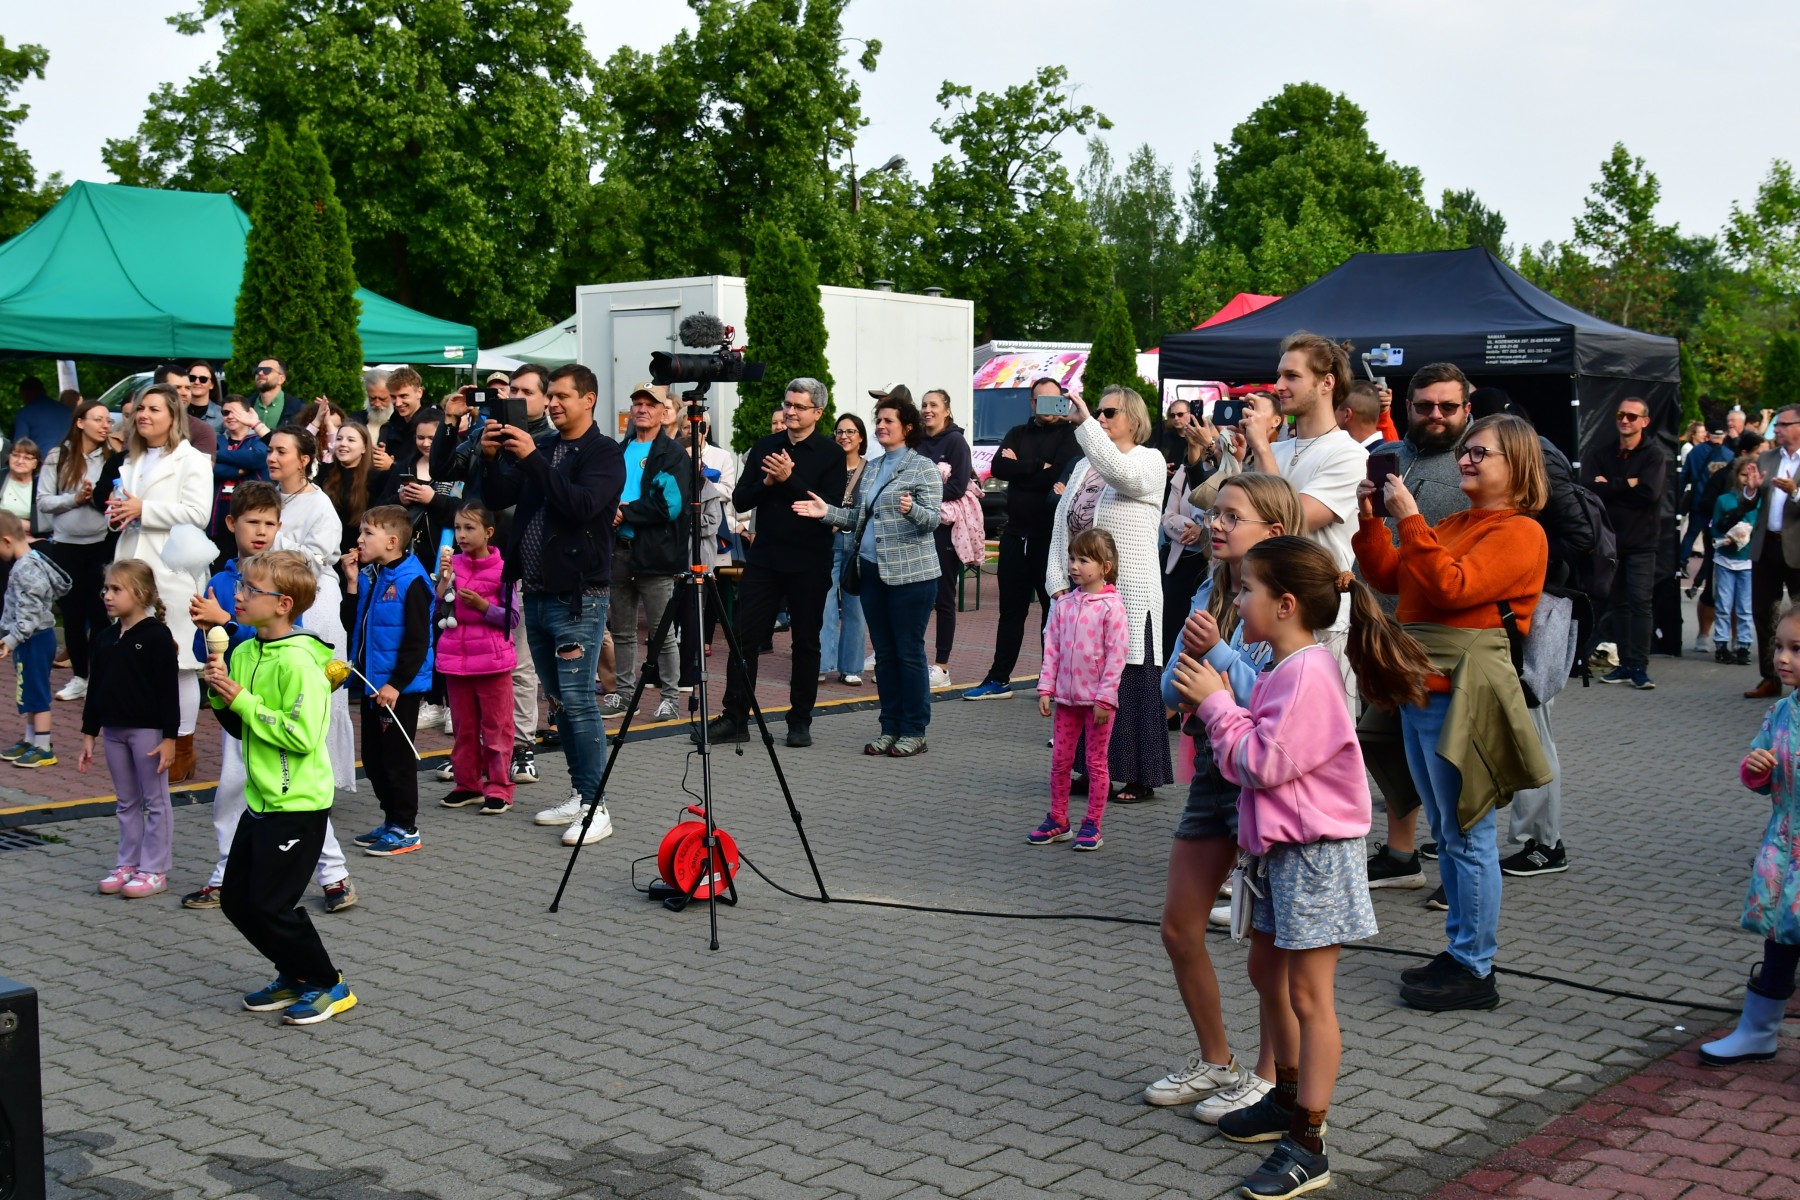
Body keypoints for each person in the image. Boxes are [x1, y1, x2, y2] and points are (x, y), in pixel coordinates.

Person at [1173, 536, 1427, 1197]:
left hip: (1315, 857)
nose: (1238, 601)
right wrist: (1222, 678)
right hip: (1281, 854)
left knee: (1310, 997)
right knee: (1268, 974)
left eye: (1248, 590)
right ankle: (1284, 1097)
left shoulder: (1309, 674)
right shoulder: (1286, 665)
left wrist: (1215, 703)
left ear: (1285, 605)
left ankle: (1309, 1142)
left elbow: (1264, 762)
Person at [1353, 413, 1553, 1012]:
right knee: (1448, 831)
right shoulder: (1458, 523)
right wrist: (1372, 520)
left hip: (1461, 692)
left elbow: (1452, 588)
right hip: (1424, 689)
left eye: (1480, 453)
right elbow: (1390, 576)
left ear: (1517, 465)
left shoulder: (1521, 532)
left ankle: (1474, 966)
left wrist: (1411, 519)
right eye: (1467, 451)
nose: (1466, 459)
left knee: (1467, 833)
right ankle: (1462, 949)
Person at [1145, 472, 1303, 1125]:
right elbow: (1170, 689)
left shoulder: (1290, 601)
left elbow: (1274, 696)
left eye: (1232, 516)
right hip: (1214, 770)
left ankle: (1270, 1078)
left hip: (1264, 782)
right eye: (1215, 514)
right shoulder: (1211, 591)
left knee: (1269, 950)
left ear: (1273, 530)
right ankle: (1218, 1060)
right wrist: (1200, 666)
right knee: (1180, 927)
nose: (1215, 524)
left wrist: (1218, 660)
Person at [183, 481, 355, 914]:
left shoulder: (282, 575)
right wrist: (210, 635)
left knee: (295, 797)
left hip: (270, 710)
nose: (260, 531)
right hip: (238, 706)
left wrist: (227, 621)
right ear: (230, 524)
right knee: (232, 791)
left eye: (269, 523)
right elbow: (209, 648)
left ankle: (333, 873)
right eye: (251, 522)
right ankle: (226, 872)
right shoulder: (221, 581)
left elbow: (283, 637)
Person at [203, 548, 358, 1026]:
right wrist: (221, 694)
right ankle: (294, 974)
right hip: (262, 800)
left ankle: (328, 983)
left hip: (298, 804)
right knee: (235, 900)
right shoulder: (245, 651)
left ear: (283, 604)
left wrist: (244, 701)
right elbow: (239, 727)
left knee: (270, 905)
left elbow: (303, 736)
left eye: (250, 589)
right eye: (240, 586)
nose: (238, 595)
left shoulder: (299, 662)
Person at [481, 363, 625, 846]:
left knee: (579, 702)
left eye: (563, 395)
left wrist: (532, 460)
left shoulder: (604, 453)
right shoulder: (542, 447)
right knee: (560, 702)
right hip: (537, 592)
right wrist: (490, 458)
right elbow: (498, 496)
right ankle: (580, 793)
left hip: (578, 598)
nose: (554, 403)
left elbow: (579, 505)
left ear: (589, 399)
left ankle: (595, 805)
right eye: (552, 396)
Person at [1359, 363, 1474, 889]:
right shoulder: (1388, 455)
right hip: (1383, 625)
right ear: (1406, 407)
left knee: (1450, 760)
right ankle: (1402, 853)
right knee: (1383, 742)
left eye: (1447, 406)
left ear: (1467, 410)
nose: (1436, 415)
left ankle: (1462, 874)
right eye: (1425, 405)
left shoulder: (1475, 464)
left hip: (1448, 636)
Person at [792, 391, 941, 756]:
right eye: (879, 420)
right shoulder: (872, 467)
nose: (881, 426)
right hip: (872, 572)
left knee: (908, 653)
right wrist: (826, 512)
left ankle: (914, 730)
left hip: (912, 576)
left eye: (889, 421)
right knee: (885, 655)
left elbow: (933, 520)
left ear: (907, 427)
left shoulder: (922, 467)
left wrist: (913, 510)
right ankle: (889, 727)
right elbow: (859, 519)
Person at [702, 378, 847, 749]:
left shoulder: (831, 454)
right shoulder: (766, 446)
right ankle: (736, 717)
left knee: (805, 643)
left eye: (799, 406)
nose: (790, 412)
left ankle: (799, 720)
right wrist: (767, 482)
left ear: (818, 412)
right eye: (788, 404)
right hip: (765, 559)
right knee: (743, 638)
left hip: (809, 560)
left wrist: (789, 478)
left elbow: (827, 507)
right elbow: (740, 500)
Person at [1045, 385, 1171, 803]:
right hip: (1084, 596)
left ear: (1133, 419)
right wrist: (1057, 581)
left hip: (1130, 594)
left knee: (1129, 678)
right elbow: (1064, 524)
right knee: (1088, 676)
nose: (1100, 418)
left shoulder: (1149, 460)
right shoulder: (1084, 465)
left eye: (1109, 412)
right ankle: (1089, 769)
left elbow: (1122, 474)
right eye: (1097, 411)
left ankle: (1139, 776)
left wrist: (1084, 426)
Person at [433, 364, 553, 785]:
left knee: (516, 663)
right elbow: (443, 470)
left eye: (523, 392)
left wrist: (516, 449)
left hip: (515, 558)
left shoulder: (547, 440)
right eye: (508, 391)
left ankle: (521, 748)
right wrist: (452, 423)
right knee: (469, 659)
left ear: (545, 399)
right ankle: (473, 753)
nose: (512, 399)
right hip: (472, 557)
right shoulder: (486, 432)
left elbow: (534, 492)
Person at [98, 383, 214, 783]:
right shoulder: (130, 458)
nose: (144, 415)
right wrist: (118, 514)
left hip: (171, 570)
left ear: (173, 416)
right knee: (137, 658)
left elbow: (198, 513)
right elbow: (122, 506)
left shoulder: (192, 459)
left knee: (179, 662)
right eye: (141, 409)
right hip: (132, 564)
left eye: (154, 409)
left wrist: (143, 508)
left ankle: (183, 747)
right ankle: (147, 741)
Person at [1248, 333, 1368, 695]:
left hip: (1321, 622)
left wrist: (1261, 448)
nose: (1278, 386)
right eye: (1279, 375)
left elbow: (1289, 523)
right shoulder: (1277, 451)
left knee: (1320, 727)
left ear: (1326, 382)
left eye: (1292, 376)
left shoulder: (1350, 455)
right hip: (1269, 615)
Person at [1706, 605, 1800, 1066]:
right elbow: (1759, 773)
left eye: (1796, 649)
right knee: (1779, 942)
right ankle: (1757, 1031)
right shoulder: (1781, 711)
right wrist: (1757, 768)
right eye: (1778, 646)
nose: (1782, 658)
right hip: (1784, 850)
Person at [964, 377, 1083, 701]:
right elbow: (999, 467)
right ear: (1032, 403)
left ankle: (1052, 682)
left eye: (1055, 400)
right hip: (1015, 536)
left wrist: (1022, 468)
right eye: (1041, 400)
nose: (1048, 407)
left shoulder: (1071, 436)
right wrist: (1037, 467)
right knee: (1010, 612)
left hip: (1050, 539)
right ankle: (998, 679)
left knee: (1052, 611)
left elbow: (1059, 474)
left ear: (1064, 402)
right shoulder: (1017, 432)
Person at [81, 560, 180, 899]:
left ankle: (154, 869)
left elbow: (168, 692)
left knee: (155, 800)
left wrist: (170, 738)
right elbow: (96, 688)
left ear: (139, 594)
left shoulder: (156, 637)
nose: (107, 596)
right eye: (105, 589)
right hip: (113, 732)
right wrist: (89, 733)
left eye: (116, 589)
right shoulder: (105, 637)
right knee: (126, 801)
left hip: (147, 733)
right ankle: (127, 863)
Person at [267, 426, 357, 792]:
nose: (272, 457)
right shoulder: (270, 496)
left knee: (318, 692)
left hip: (316, 602)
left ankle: (322, 779)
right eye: (270, 450)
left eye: (281, 451)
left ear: (304, 460)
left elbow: (316, 561)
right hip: (273, 600)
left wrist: (271, 535)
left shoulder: (320, 505)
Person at [1028, 527, 1127, 850]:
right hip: (1067, 700)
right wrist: (1046, 688)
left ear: (1104, 567)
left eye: (1084, 560)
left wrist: (1105, 698)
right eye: (1072, 558)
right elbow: (1053, 649)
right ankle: (1058, 819)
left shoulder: (1111, 607)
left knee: (1096, 763)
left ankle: (1092, 824)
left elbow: (1116, 656)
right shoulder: (1063, 605)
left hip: (1097, 702)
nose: (1074, 566)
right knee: (1060, 761)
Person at [347, 505, 434, 857]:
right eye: (361, 531)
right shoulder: (374, 575)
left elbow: (418, 640)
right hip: (373, 685)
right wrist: (352, 583)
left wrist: (396, 683)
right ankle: (391, 819)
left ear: (393, 541)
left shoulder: (411, 581)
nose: (360, 539)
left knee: (397, 760)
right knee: (373, 758)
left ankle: (406, 828)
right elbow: (356, 623)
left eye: (368, 533)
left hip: (398, 690)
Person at [604, 383, 690, 725]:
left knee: (662, 633)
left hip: (655, 554)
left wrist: (625, 512)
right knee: (622, 631)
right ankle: (624, 695)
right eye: (637, 403)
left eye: (649, 404)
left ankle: (670, 699)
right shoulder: (619, 449)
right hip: (618, 552)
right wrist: (610, 509)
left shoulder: (672, 453)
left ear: (663, 411)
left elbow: (670, 505)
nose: (642, 409)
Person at [434, 502, 520, 815]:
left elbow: (512, 618)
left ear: (488, 532)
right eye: (458, 528)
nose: (462, 535)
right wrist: (443, 582)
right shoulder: (451, 565)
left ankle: (498, 787)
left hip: (492, 661)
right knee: (464, 729)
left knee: (497, 728)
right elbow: (439, 609)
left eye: (469, 528)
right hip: (456, 659)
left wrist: (483, 607)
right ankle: (467, 785)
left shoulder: (503, 569)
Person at [1583, 396, 1668, 690]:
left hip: (1642, 542)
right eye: (1621, 415)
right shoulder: (1603, 453)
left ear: (1645, 421)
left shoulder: (1654, 455)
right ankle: (1625, 663)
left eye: (1632, 416)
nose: (1625, 420)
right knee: (1618, 603)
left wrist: (1611, 485)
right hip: (1610, 541)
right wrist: (1628, 483)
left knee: (1640, 603)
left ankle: (1639, 666)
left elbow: (1649, 493)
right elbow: (1590, 490)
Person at [39, 399, 112, 703]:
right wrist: (75, 499)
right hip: (66, 546)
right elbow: (44, 501)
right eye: (98, 419)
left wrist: (95, 497)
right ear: (80, 422)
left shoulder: (111, 457)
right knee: (72, 615)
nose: (105, 425)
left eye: (108, 420)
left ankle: (100, 677)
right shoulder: (59, 456)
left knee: (101, 613)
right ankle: (80, 676)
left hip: (101, 545)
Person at [0, 510, 70, 767]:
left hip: (34, 640)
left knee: (37, 693)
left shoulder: (25, 570)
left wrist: (11, 639)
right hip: (31, 638)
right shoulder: (29, 562)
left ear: (7, 540)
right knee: (28, 690)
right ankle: (31, 739)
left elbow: (28, 615)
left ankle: (43, 745)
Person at [915, 387, 973, 689]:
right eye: (924, 404)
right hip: (916, 527)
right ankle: (910, 660)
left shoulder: (956, 442)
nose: (927, 409)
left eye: (934, 405)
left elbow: (958, 486)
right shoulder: (917, 442)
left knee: (944, 598)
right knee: (915, 597)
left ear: (947, 410)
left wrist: (922, 497)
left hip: (944, 530)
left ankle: (942, 667)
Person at [1157, 396, 1215, 664]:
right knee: (1171, 633)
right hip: (1179, 562)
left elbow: (1221, 513)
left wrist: (1204, 531)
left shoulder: (1222, 472)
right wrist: (1189, 527)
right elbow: (1168, 516)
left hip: (1208, 564)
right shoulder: (1183, 471)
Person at [1747, 406, 1800, 701]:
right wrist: (1751, 490)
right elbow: (1747, 502)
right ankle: (1770, 677)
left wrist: (1795, 492)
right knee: (1764, 613)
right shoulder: (1767, 458)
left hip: (1797, 549)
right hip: (1767, 546)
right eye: (1776, 425)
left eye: (1783, 424)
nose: (1776, 430)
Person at [817, 413, 869, 686]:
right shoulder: (827, 466)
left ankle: (851, 667)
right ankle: (822, 664)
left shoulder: (871, 469)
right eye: (839, 431)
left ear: (861, 437)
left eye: (850, 431)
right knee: (824, 604)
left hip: (858, 544)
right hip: (829, 541)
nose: (844, 436)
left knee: (855, 607)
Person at [1711, 457, 1763, 666]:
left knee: (1745, 607)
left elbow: (1762, 527)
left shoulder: (1760, 502)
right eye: (1743, 475)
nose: (1747, 480)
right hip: (1725, 559)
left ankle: (1743, 645)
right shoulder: (1724, 500)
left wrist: (1750, 534)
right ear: (1736, 476)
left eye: (1751, 476)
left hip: (1748, 561)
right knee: (1723, 605)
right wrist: (1724, 538)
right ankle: (1721, 644)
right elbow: (1714, 526)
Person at [210, 395, 270, 562]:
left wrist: (217, 455)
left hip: (251, 517)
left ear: (248, 414)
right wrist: (238, 470)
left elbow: (257, 458)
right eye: (225, 412)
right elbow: (208, 467)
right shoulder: (216, 440)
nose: (230, 416)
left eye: (235, 412)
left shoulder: (259, 439)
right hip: (217, 519)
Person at [318, 421, 380, 553]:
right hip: (323, 547)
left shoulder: (375, 478)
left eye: (351, 440)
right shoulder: (323, 471)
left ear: (364, 448)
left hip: (356, 552)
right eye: (339, 439)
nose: (343, 443)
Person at [154, 363, 217, 456]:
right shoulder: (143, 422)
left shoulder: (202, 430)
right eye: (177, 387)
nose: (184, 393)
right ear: (158, 390)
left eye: (187, 388)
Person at [374, 366, 426, 470]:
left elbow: (432, 467)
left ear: (419, 393)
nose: (398, 403)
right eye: (393, 397)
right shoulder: (389, 427)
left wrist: (393, 466)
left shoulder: (433, 424)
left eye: (404, 396)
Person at [13, 376, 69, 453]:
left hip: (43, 458)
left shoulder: (25, 413)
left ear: (24, 393)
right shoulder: (66, 410)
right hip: (70, 457)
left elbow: (20, 445)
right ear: (44, 391)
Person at [249, 357, 302, 433]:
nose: (260, 373)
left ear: (281, 379)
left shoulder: (297, 408)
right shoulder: (246, 406)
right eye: (257, 370)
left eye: (267, 370)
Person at [0, 440, 40, 529]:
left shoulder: (40, 485)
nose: (20, 461)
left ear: (35, 464)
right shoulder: (1, 477)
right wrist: (20, 524)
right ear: (9, 457)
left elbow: (44, 524)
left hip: (31, 534)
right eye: (15, 455)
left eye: (27, 458)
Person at [1335, 381, 1385, 451]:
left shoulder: (1367, 456)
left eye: (1335, 409)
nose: (1331, 414)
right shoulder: (1386, 452)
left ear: (1347, 415)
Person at [186, 360, 225, 438]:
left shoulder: (222, 415)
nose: (197, 382)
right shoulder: (175, 412)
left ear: (212, 385)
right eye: (192, 378)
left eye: (203, 379)